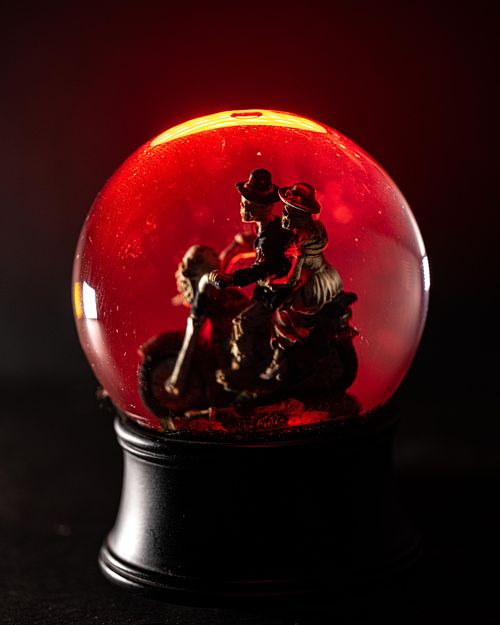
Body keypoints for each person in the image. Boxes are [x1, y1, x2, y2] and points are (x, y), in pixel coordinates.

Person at [261, 182, 356, 391]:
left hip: (312, 287)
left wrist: (270, 283)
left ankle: (282, 361)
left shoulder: (301, 243)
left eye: (289, 209)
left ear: (300, 213)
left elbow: (292, 279)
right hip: (328, 275)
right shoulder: (315, 229)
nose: (284, 213)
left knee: (282, 316)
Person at [208, 169, 292, 390]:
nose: (243, 208)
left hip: (276, 293)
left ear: (264, 208)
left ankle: (246, 374)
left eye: (249, 205)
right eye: (243, 203)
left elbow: (261, 269)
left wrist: (231, 278)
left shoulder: (270, 238)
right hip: (271, 290)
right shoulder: (268, 229)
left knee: (242, 323)